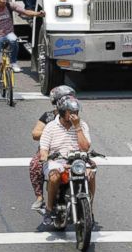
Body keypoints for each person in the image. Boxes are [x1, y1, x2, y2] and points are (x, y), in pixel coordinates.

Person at [0, 0, 43, 99]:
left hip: (8, 34)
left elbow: (25, 12)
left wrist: (38, 14)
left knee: (14, 39)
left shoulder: (10, 6)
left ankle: (14, 62)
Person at [40, 96, 92, 227]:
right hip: (57, 161)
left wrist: (77, 127)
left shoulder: (82, 125)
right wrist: (45, 156)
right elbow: (44, 149)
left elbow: (85, 147)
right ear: (63, 112)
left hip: (76, 160)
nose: (74, 115)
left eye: (76, 112)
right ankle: (49, 209)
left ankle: (90, 207)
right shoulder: (51, 127)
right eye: (71, 112)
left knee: (91, 173)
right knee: (54, 177)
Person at [29, 86, 76, 212]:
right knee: (35, 165)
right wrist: (51, 131)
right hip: (50, 151)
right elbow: (35, 134)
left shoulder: (74, 117)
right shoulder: (48, 117)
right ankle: (40, 198)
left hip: (70, 151)